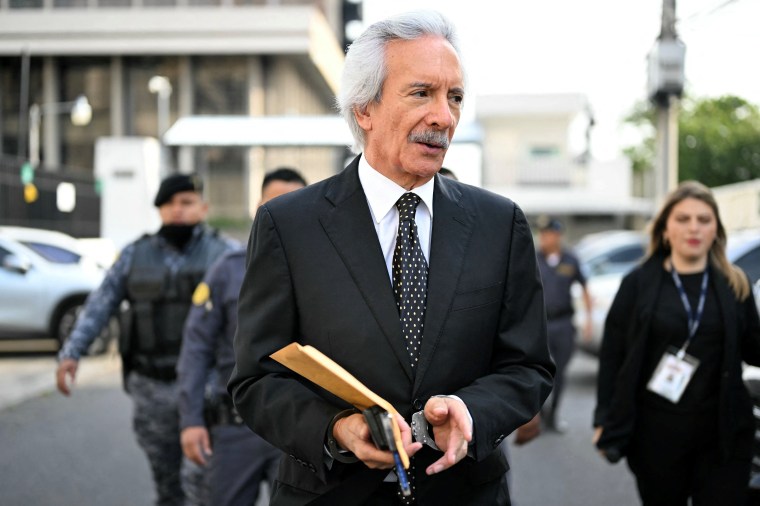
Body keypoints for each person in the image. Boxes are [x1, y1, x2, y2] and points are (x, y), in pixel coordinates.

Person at [228, 10, 554, 505]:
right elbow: (256, 379)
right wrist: (337, 429)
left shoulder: (500, 224)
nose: (444, 116)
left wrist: (472, 410)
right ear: (364, 109)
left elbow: (528, 367)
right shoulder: (288, 225)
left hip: (465, 493)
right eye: (422, 93)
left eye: (455, 97)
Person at [56, 173, 236, 506]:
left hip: (207, 390)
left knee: (203, 484)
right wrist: (72, 352)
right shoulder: (134, 255)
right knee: (167, 483)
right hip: (152, 387)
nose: (177, 211)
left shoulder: (226, 256)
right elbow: (100, 305)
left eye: (186, 203)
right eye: (168, 204)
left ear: (204, 207)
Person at [593, 180, 760, 505]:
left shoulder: (733, 284)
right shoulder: (638, 284)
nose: (694, 228)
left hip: (723, 433)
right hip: (657, 435)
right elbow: (613, 355)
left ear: (716, 230)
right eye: (683, 219)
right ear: (666, 229)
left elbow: (754, 349)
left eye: (704, 219)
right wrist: (603, 419)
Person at [176, 167, 307, 506]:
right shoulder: (227, 269)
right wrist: (190, 420)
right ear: (258, 207)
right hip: (237, 430)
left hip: (301, 429)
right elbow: (196, 349)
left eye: (295, 203)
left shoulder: (325, 274)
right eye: (275, 203)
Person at [535, 216, 592, 432]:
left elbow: (585, 288)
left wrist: (587, 320)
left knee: (560, 371)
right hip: (540, 323)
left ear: (558, 235)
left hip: (564, 323)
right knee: (539, 370)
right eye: (542, 234)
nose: (544, 238)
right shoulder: (534, 257)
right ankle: (539, 414)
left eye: (548, 234)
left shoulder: (570, 259)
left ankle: (554, 414)